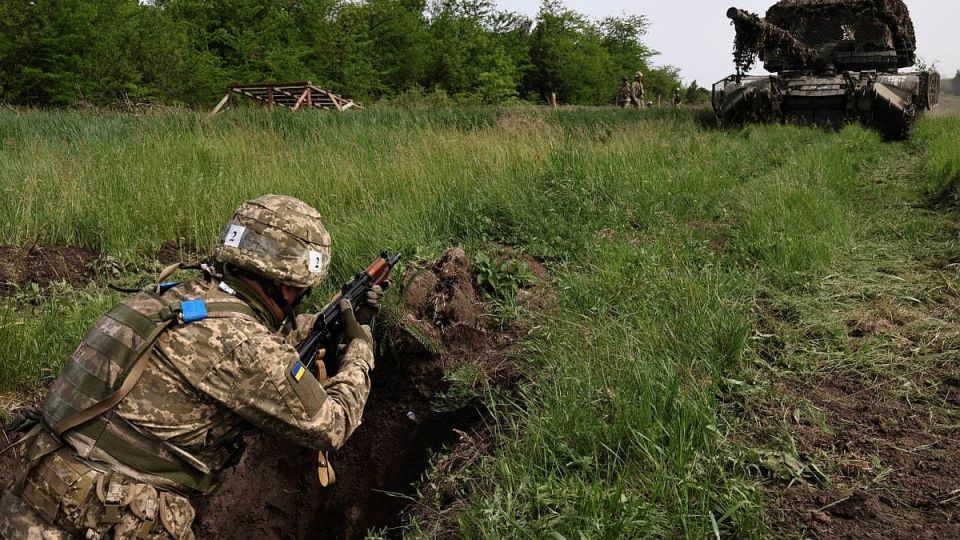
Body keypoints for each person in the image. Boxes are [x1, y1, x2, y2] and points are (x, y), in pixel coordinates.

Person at [0, 195, 382, 539]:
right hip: (103, 518)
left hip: (30, 495)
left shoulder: (164, 300)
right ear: (287, 287)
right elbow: (332, 424)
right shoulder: (246, 346)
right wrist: (360, 352)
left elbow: (239, 342)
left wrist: (321, 323)